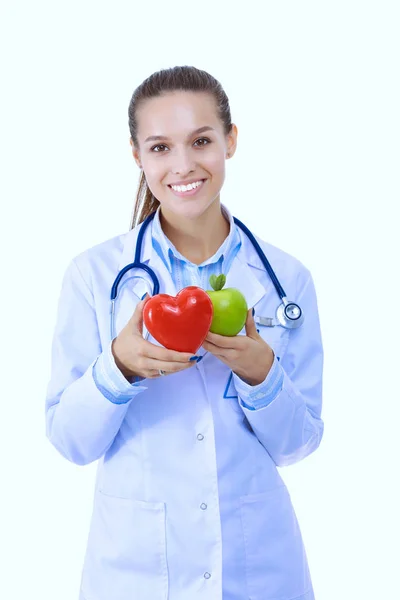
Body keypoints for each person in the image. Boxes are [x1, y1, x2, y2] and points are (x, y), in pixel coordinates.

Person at [45, 65, 324, 600]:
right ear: (137, 157)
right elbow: (70, 441)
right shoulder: (95, 276)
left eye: (201, 141)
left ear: (231, 140)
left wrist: (261, 374)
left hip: (258, 568)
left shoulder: (286, 280)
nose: (184, 165)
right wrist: (118, 367)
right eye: (160, 147)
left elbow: (298, 444)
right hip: (136, 572)